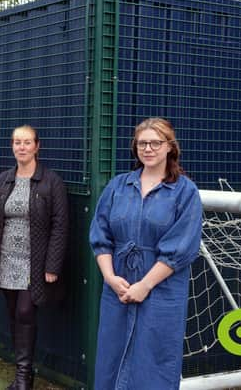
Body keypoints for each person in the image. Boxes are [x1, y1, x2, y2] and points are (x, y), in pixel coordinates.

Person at [89, 117, 203, 390]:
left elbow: (182, 248)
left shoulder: (185, 192)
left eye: (155, 143)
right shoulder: (118, 186)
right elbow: (101, 235)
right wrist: (109, 277)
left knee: (154, 361)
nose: (148, 148)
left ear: (169, 147)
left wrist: (145, 285)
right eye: (142, 143)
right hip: (118, 287)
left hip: (162, 291)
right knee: (111, 357)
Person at [0, 125, 69, 390]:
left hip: (35, 262)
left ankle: (23, 377)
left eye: (27, 142)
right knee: (12, 314)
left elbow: (60, 226)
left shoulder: (51, 181)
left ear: (37, 146)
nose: (21, 147)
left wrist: (52, 265)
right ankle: (22, 373)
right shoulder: (3, 180)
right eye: (17, 142)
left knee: (25, 311)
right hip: (6, 259)